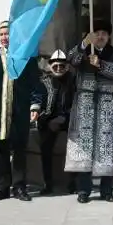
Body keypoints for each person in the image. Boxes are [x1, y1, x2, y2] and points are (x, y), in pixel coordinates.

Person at [66, 20, 113, 203]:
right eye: (97, 33)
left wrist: (101, 64)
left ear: (109, 36)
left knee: (107, 147)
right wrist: (83, 44)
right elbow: (71, 59)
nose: (100, 37)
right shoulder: (82, 52)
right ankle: (84, 190)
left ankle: (107, 190)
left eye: (104, 33)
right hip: (85, 103)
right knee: (84, 147)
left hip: (106, 103)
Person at [0, 19, 38, 201]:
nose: (5, 37)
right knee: (0, 150)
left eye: (8, 34)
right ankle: (2, 187)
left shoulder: (26, 57)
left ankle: (20, 187)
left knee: (19, 149)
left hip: (19, 110)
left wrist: (35, 105)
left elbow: (35, 84)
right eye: (2, 34)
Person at [31, 49, 75, 195]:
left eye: (61, 66)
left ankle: (74, 183)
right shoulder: (44, 82)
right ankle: (47, 184)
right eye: (55, 66)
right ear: (50, 66)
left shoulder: (73, 81)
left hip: (69, 119)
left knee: (75, 148)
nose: (58, 69)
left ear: (67, 67)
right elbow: (38, 101)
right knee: (45, 147)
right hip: (49, 121)